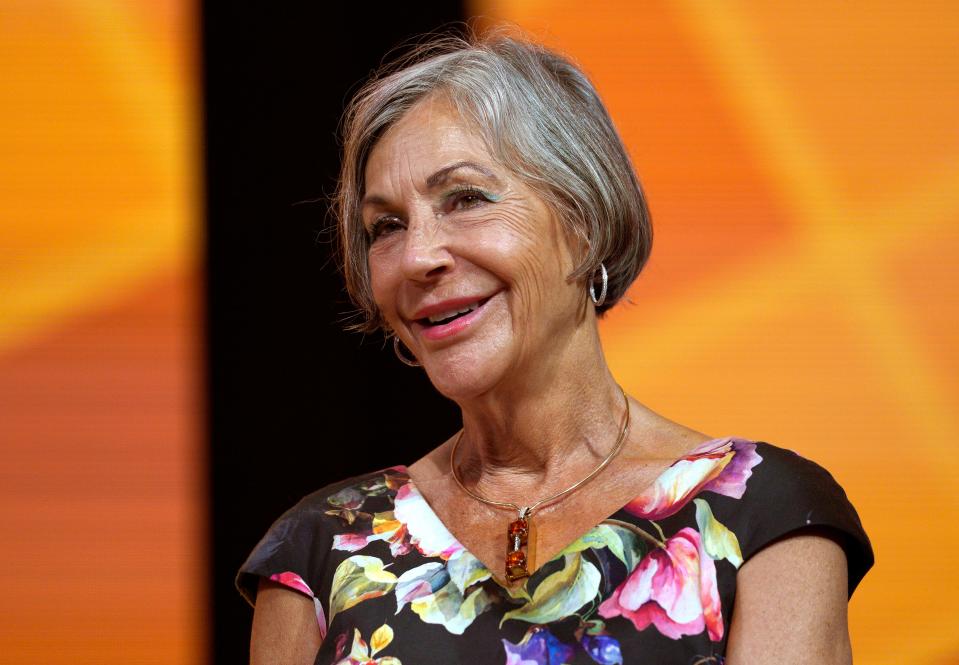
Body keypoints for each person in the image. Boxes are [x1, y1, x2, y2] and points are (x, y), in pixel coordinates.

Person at [237, 32, 873, 665]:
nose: (417, 257)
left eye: (465, 199)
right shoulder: (320, 550)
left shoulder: (764, 517)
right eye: (387, 227)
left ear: (587, 220)